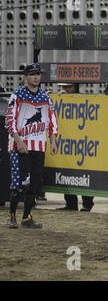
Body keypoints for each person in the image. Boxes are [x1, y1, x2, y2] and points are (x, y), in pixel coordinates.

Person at [4, 63, 58, 229]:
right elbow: (9, 119)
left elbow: (52, 119)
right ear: (25, 77)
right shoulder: (17, 95)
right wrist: (18, 139)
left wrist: (53, 139)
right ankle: (12, 217)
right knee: (18, 182)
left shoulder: (45, 97)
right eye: (33, 74)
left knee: (34, 182)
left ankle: (26, 217)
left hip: (39, 145)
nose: (36, 77)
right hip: (19, 145)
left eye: (38, 74)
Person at [56, 83, 95, 212]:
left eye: (69, 87)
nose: (65, 89)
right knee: (68, 170)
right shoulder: (62, 99)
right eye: (64, 87)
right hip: (69, 144)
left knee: (85, 173)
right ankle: (71, 203)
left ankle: (87, 203)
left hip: (83, 143)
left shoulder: (84, 100)